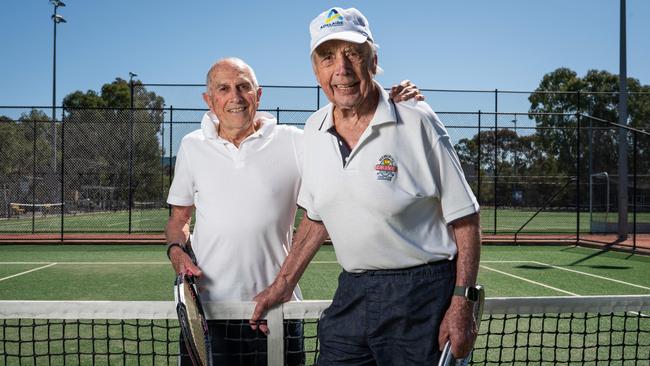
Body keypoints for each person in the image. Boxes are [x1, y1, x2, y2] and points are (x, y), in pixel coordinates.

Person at [251, 7, 482, 365]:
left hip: (423, 296)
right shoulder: (312, 130)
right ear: (315, 70)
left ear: (373, 60)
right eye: (327, 57)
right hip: (353, 293)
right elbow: (316, 218)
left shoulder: (417, 120)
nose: (341, 69)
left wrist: (462, 302)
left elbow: (465, 218)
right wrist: (282, 285)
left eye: (353, 54)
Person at [165, 57, 423, 365]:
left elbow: (352, 141)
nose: (234, 97)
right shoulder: (192, 146)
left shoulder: (294, 141)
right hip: (209, 313)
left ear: (258, 95)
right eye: (223, 88)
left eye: (243, 87)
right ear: (209, 100)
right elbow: (179, 219)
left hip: (276, 312)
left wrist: (388, 106)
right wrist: (176, 250)